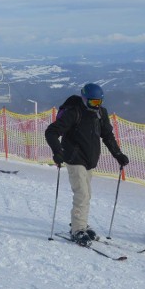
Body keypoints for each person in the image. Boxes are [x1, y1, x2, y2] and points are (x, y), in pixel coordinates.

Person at [45, 83, 129, 246]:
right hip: (74, 158)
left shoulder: (100, 113)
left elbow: (108, 136)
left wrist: (118, 154)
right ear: (84, 99)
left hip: (90, 160)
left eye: (98, 102)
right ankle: (77, 229)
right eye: (92, 103)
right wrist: (57, 151)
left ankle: (81, 224)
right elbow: (51, 132)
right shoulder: (74, 113)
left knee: (86, 194)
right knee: (82, 194)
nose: (95, 106)